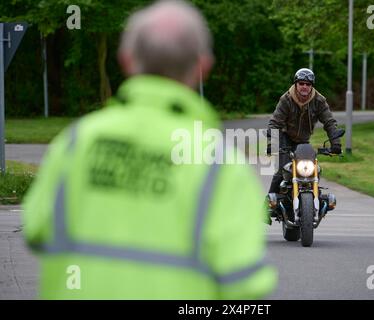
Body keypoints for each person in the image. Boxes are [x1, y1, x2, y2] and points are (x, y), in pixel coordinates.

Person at [22, 0, 276, 299]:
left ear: (126, 60)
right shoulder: (219, 164)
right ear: (202, 67)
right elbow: (243, 282)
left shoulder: (78, 141)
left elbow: (36, 230)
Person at [265, 68, 342, 223]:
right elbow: (275, 123)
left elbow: (329, 122)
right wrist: (272, 144)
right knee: (282, 171)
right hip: (285, 138)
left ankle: (315, 203)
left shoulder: (319, 100)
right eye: (301, 83)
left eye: (308, 84)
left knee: (311, 171)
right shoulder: (286, 99)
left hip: (303, 141)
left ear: (311, 86)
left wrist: (336, 143)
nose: (304, 87)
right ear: (296, 84)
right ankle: (267, 207)